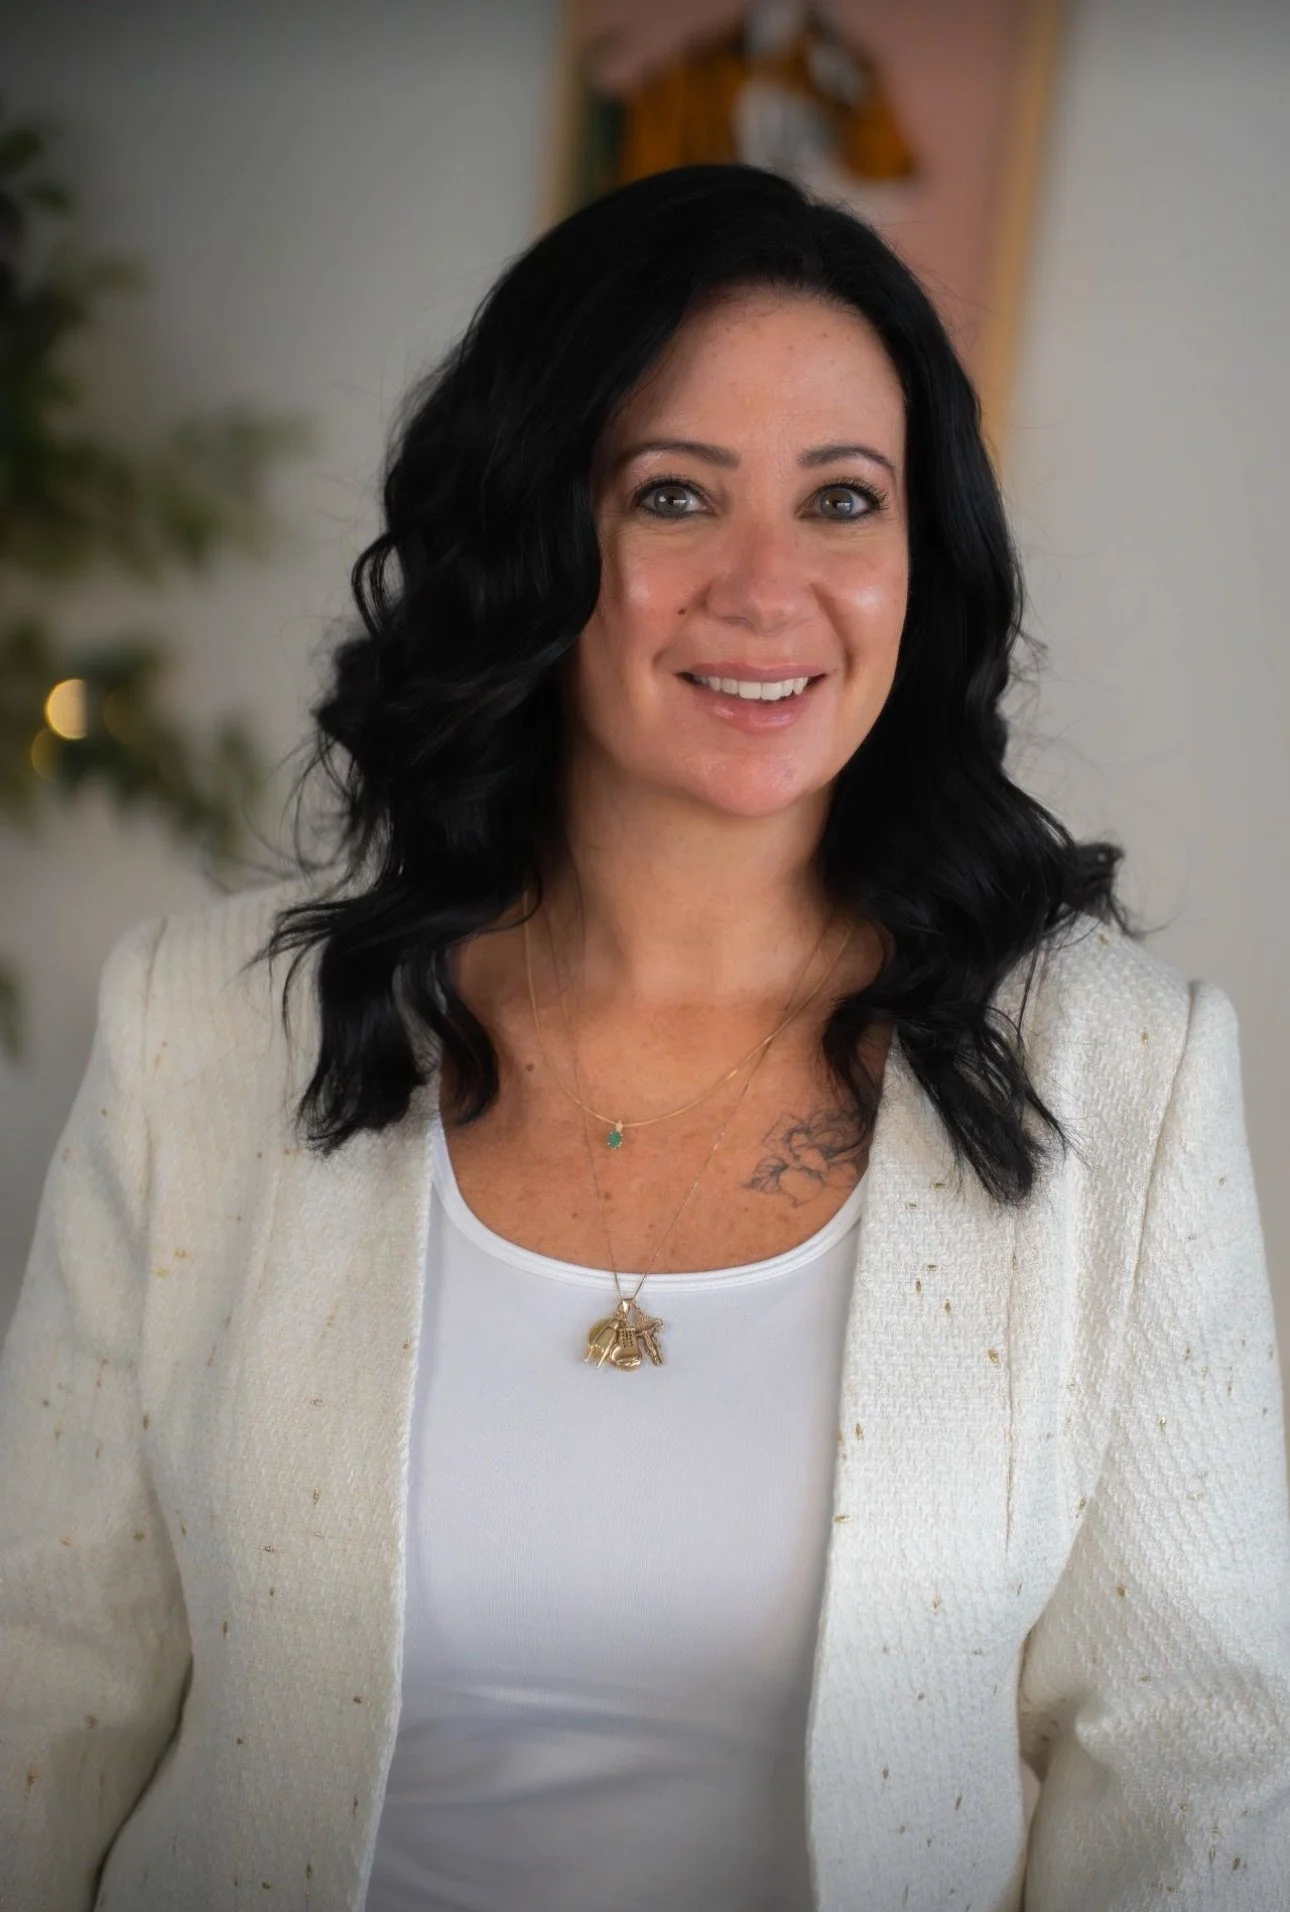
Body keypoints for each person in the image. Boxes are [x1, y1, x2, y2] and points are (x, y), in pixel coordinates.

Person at [1, 163, 1287, 1912]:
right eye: (674, 496)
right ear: (538, 537)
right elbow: (42, 1685)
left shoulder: (1118, 1074)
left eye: (843, 500)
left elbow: (1192, 1760)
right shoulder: (197, 1032)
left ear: (921, 561)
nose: (766, 589)